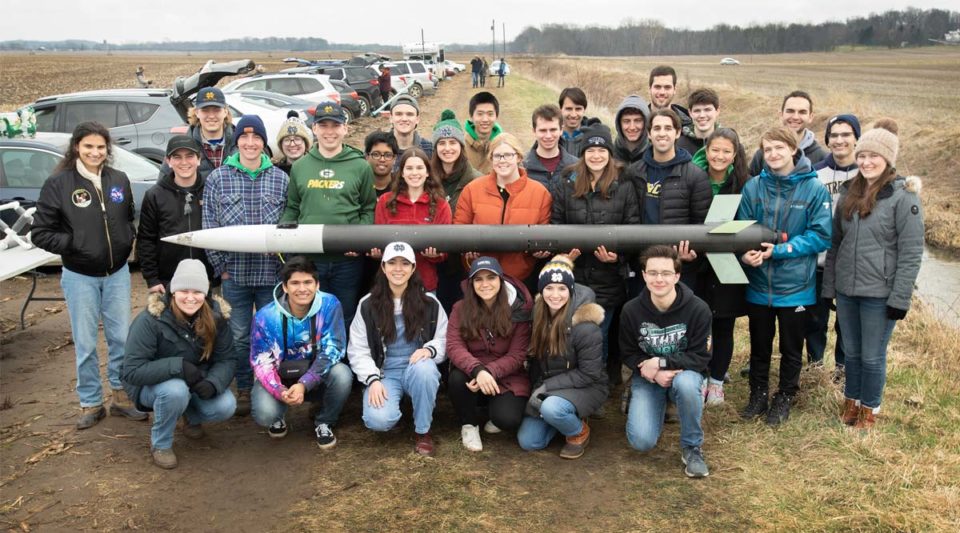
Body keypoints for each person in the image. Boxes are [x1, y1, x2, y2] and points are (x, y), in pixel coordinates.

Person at [32, 121, 147, 429]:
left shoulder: (118, 180)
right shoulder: (59, 184)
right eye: (88, 147)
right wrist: (74, 244)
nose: (95, 152)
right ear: (76, 148)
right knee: (85, 342)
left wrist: (126, 238)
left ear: (107, 149)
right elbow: (40, 233)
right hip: (79, 275)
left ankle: (122, 396)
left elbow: (127, 218)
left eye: (100, 147)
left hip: (117, 273)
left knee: (121, 338)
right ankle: (91, 402)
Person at [823, 119, 923, 430]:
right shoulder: (849, 193)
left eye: (874, 156)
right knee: (850, 353)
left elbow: (911, 253)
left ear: (888, 159)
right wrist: (830, 287)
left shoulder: (903, 198)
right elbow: (836, 243)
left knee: (871, 356)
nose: (866, 162)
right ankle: (851, 402)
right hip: (849, 291)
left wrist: (900, 298)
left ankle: (870, 409)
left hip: (880, 294)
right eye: (862, 155)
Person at [737, 126, 832, 426]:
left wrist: (779, 249)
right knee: (759, 344)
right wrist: (744, 254)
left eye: (779, 148)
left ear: (793, 149)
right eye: (768, 149)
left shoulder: (814, 189)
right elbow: (741, 230)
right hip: (759, 285)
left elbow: (821, 236)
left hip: (796, 287)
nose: (774, 154)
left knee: (792, 347)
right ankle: (758, 394)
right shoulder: (753, 187)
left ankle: (785, 396)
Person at [202, 114, 289, 417]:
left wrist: (285, 267)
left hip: (270, 275)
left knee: (270, 334)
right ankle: (242, 387)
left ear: (264, 143)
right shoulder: (219, 178)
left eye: (256, 138)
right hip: (235, 275)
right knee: (238, 336)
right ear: (236, 141)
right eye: (244, 138)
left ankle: (269, 387)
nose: (250, 144)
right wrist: (220, 267)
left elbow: (290, 225)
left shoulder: (279, 178)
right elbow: (209, 225)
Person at [121, 259, 237, 469]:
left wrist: (213, 383)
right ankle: (161, 444)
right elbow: (131, 371)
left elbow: (227, 358)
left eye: (197, 291)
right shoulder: (150, 319)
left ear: (206, 293)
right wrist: (178, 366)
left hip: (194, 380)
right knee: (175, 391)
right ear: (173, 291)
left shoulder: (217, 317)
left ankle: (190, 415)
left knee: (226, 405)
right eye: (184, 290)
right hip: (152, 386)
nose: (190, 298)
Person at [551, 123, 639, 378]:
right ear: (583, 153)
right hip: (574, 276)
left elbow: (632, 228)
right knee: (569, 335)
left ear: (610, 153)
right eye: (591, 149)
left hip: (608, 278)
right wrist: (565, 255)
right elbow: (556, 223)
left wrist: (617, 257)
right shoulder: (567, 182)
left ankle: (595, 384)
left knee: (597, 336)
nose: (596, 155)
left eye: (602, 150)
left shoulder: (624, 184)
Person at [620, 245, 713, 478]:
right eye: (652, 273)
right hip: (648, 377)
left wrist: (661, 363)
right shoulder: (631, 310)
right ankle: (653, 404)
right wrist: (650, 372)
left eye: (665, 273)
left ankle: (692, 448)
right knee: (641, 442)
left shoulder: (698, 309)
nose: (658, 279)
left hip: (684, 373)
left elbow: (701, 356)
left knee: (687, 385)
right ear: (643, 275)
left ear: (677, 275)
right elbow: (628, 352)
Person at [281, 102, 377, 326]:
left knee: (344, 315)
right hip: (310, 259)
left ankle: (342, 360)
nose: (329, 132)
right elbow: (293, 207)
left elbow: (368, 208)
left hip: (347, 261)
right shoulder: (300, 166)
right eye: (323, 126)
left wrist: (358, 241)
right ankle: (314, 359)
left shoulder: (360, 166)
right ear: (314, 129)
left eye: (335, 125)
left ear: (345, 128)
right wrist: (284, 235)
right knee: (311, 315)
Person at [348, 242, 448, 455]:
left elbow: (444, 339)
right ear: (383, 267)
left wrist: (429, 350)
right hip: (385, 373)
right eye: (392, 263)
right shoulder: (367, 304)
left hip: (416, 368)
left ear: (413, 268)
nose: (398, 269)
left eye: (405, 263)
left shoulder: (430, 302)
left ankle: (423, 430)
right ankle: (395, 408)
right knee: (379, 421)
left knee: (426, 369)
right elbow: (358, 349)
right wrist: (372, 380)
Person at [249, 256, 352, 449]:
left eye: (308, 282)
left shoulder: (330, 305)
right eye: (295, 283)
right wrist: (279, 390)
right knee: (265, 414)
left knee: (342, 374)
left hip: (314, 374)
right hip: (280, 376)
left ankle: (324, 421)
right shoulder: (265, 316)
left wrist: (305, 384)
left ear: (317, 284)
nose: (302, 289)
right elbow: (261, 361)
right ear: (285, 287)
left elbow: (334, 348)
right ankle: (277, 416)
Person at [518, 256, 608, 459]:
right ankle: (564, 419)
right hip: (550, 386)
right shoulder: (538, 317)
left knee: (552, 408)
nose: (555, 295)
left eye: (562, 288)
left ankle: (578, 431)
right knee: (530, 442)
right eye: (549, 288)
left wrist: (547, 388)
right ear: (541, 290)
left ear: (570, 290)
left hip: (586, 386)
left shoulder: (586, 327)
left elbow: (589, 374)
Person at [447, 257, 533, 452]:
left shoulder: (517, 308)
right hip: (472, 371)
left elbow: (517, 354)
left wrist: (489, 371)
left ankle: (494, 412)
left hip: (507, 374)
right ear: (471, 284)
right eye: (478, 279)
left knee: (508, 419)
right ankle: (469, 425)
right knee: (456, 378)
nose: (485, 284)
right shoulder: (460, 308)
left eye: (491, 278)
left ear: (500, 281)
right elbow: (454, 346)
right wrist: (478, 370)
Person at [691, 128, 751, 405]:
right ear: (706, 150)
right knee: (699, 323)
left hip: (728, 262)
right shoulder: (693, 177)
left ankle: (717, 380)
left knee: (723, 323)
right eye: (715, 150)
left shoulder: (743, 183)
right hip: (697, 264)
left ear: (735, 154)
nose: (720, 156)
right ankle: (700, 375)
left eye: (727, 151)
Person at [623, 108, 711, 289]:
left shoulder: (695, 175)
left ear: (677, 132)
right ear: (649, 133)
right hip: (643, 268)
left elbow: (702, 224)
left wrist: (693, 254)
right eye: (656, 128)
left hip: (679, 269)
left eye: (668, 128)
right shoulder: (634, 172)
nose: (662, 133)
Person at [454, 133, 553, 286]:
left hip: (521, 279)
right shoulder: (472, 190)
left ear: (518, 157)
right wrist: (466, 249)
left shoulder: (540, 193)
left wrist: (540, 251)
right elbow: (459, 228)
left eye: (508, 155)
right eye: (497, 156)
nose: (502, 160)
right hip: (481, 277)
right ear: (491, 159)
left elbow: (544, 232)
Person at [810, 114, 861, 380]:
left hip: (852, 263)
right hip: (819, 261)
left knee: (848, 323)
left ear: (856, 139)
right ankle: (815, 368)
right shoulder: (816, 172)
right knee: (815, 320)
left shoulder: (866, 172)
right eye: (835, 135)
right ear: (827, 140)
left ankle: (843, 372)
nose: (840, 140)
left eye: (846, 135)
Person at [137, 135, 216, 294]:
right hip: (168, 281)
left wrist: (218, 274)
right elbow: (146, 240)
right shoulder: (155, 195)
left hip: (208, 280)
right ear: (168, 161)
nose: (184, 162)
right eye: (177, 157)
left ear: (199, 159)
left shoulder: (212, 190)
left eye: (189, 156)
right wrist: (152, 279)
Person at [373, 148, 451, 293]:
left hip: (425, 284)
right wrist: (378, 252)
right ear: (402, 173)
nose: (414, 173)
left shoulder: (441, 205)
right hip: (390, 284)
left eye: (419, 168)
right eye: (409, 168)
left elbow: (445, 249)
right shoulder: (385, 201)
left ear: (427, 172)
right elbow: (378, 239)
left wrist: (436, 255)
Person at [430, 109, 482, 312]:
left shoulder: (477, 180)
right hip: (434, 261)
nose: (447, 148)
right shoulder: (426, 179)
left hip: (463, 263)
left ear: (461, 146)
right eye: (442, 143)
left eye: (452, 143)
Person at [161, 87, 236, 179]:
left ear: (225, 112)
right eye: (205, 110)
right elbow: (163, 186)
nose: (211, 116)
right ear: (196, 112)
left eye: (216, 109)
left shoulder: (241, 145)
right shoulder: (179, 147)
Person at [748, 91, 829, 176]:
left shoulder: (822, 158)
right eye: (790, 111)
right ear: (781, 114)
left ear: (810, 117)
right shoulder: (763, 154)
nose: (795, 117)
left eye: (802, 112)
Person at [522, 104, 579, 187]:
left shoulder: (576, 166)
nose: (548, 136)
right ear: (534, 131)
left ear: (561, 130)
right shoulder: (522, 167)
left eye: (553, 130)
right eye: (543, 130)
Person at [647, 66, 694, 135]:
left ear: (674, 90)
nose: (662, 92)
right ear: (650, 89)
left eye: (667, 87)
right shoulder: (638, 123)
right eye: (657, 87)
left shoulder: (689, 125)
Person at [463, 91, 502, 174]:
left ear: (496, 116)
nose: (485, 119)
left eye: (490, 114)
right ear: (471, 116)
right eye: (480, 114)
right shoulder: (461, 146)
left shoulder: (504, 145)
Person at [388, 94, 433, 163]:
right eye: (399, 114)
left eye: (409, 114)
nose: (404, 119)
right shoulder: (380, 149)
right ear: (391, 118)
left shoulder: (429, 149)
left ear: (417, 119)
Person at [677, 88, 721, 155]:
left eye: (707, 110)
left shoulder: (729, 143)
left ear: (717, 111)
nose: (702, 115)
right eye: (697, 111)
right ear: (690, 113)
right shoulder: (678, 146)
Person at [612, 95, 651, 165]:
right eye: (626, 121)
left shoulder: (655, 155)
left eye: (638, 121)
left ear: (646, 123)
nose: (632, 127)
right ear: (619, 124)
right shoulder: (609, 154)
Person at [364, 130, 400, 197]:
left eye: (388, 155)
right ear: (367, 157)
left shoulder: (401, 187)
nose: (382, 159)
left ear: (395, 158)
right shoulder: (359, 185)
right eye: (376, 154)